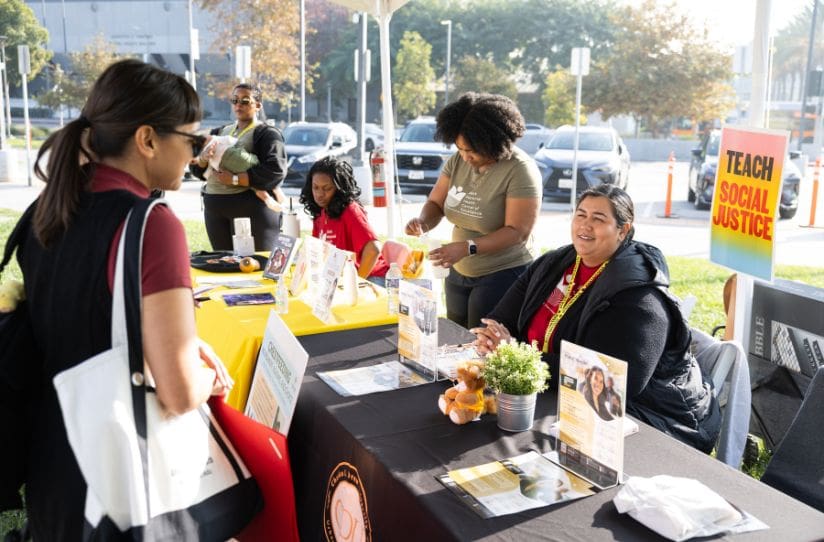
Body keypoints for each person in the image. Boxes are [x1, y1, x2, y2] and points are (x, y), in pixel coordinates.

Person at [18, 59, 234, 540]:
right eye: (193, 141)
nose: (195, 155)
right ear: (148, 139)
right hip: (117, 477)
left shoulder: (50, 208)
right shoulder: (151, 223)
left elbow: (78, 318)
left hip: (53, 458)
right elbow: (178, 393)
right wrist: (210, 378)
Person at [472, 184, 721, 452]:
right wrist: (494, 341)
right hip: (554, 396)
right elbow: (499, 320)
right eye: (580, 215)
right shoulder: (554, 264)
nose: (585, 225)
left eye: (598, 219)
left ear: (623, 230)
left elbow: (613, 382)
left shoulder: (639, 296)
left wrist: (517, 356)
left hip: (651, 420)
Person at [404, 92, 541, 329]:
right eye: (460, 149)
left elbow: (518, 231)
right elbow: (436, 203)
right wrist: (423, 221)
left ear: (493, 141)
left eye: (472, 151)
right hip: (458, 269)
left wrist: (468, 247)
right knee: (456, 340)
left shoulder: (520, 170)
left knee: (481, 345)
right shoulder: (457, 161)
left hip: (503, 272)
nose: (465, 157)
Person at [191, 83, 287, 251]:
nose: (238, 105)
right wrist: (203, 159)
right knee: (224, 265)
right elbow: (198, 170)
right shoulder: (220, 131)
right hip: (215, 209)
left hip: (252, 210)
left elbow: (275, 171)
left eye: (245, 101)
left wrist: (235, 179)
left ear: (258, 105)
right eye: (234, 100)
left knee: (256, 265)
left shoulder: (267, 133)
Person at [299, 156, 389, 283]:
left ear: (339, 189)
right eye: (315, 187)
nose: (319, 194)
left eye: (327, 188)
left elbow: (373, 250)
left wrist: (356, 282)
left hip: (371, 278)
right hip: (338, 280)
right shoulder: (321, 211)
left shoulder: (351, 210)